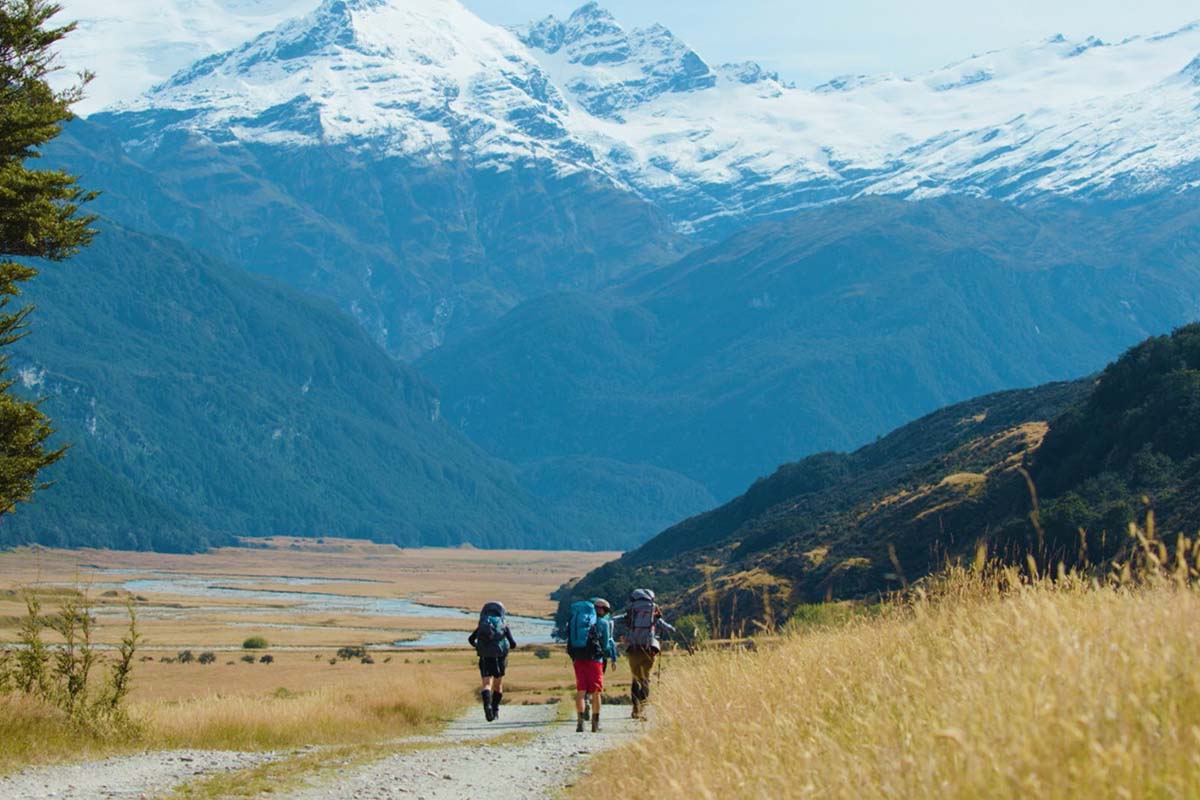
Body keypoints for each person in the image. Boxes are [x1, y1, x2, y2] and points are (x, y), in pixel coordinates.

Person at [622, 588, 676, 720]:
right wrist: (674, 629)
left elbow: (623, 622)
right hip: (649, 650)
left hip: (633, 650)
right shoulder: (653, 611)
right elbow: (666, 627)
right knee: (645, 680)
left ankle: (635, 710)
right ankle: (643, 709)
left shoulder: (632, 611)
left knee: (635, 680)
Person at [566, 597, 618, 733]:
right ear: (600, 609)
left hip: (578, 659)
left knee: (581, 691)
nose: (606, 613)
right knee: (596, 692)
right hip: (595, 660)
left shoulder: (577, 620)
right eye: (605, 610)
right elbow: (606, 644)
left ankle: (580, 723)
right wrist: (608, 655)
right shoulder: (603, 623)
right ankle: (595, 725)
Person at [468, 600, 517, 722]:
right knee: (498, 684)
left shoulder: (482, 625)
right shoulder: (504, 625)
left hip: (485, 657)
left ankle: (487, 706)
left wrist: (479, 646)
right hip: (499, 657)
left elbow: (470, 639)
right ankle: (495, 710)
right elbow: (513, 644)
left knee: (486, 684)